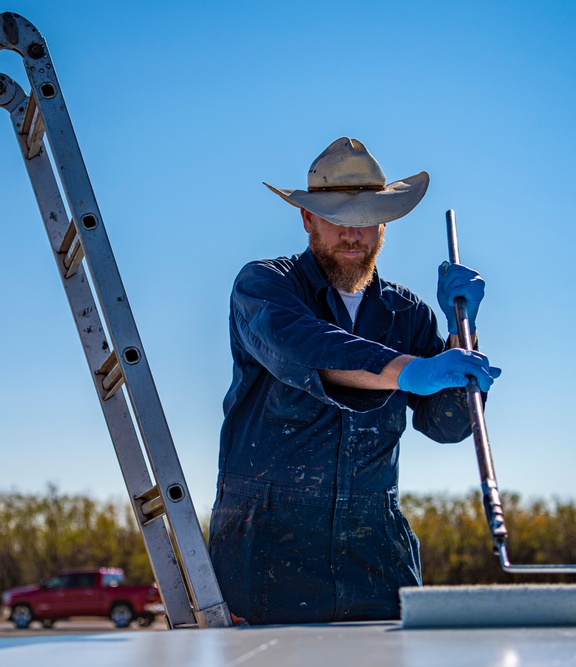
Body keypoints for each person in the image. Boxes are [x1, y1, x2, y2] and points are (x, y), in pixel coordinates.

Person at [208, 137, 501, 625]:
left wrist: (457, 335)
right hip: (263, 559)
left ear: (384, 226)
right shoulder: (264, 286)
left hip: (376, 563)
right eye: (337, 219)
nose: (352, 235)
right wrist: (409, 370)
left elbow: (447, 426)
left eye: (366, 221)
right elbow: (304, 347)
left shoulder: (408, 314)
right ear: (307, 220)